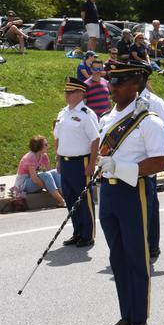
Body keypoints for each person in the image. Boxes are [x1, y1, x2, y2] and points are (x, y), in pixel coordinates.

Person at [95, 60, 164, 325]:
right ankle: (126, 315)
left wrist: (122, 168)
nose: (112, 87)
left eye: (118, 83)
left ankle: (140, 320)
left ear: (135, 86)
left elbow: (159, 162)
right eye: (111, 82)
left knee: (137, 258)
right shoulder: (106, 118)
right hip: (109, 193)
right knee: (118, 257)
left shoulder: (149, 121)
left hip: (133, 191)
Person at [54, 77, 101, 247]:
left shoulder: (87, 115)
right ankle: (77, 231)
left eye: (71, 92)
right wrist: (58, 159)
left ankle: (88, 235)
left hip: (81, 162)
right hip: (66, 162)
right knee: (70, 198)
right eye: (66, 91)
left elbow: (95, 140)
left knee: (84, 199)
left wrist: (92, 164)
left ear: (81, 94)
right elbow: (58, 137)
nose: (67, 95)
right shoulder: (63, 113)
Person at [138, 80, 164, 258]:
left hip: (148, 163)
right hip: (128, 167)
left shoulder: (155, 101)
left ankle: (152, 245)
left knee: (149, 207)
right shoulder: (125, 101)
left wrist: (156, 153)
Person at [14, 135, 67, 208]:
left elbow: (50, 171)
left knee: (55, 172)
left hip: (31, 181)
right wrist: (48, 187)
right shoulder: (30, 157)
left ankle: (66, 197)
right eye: (45, 144)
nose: (48, 146)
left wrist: (52, 185)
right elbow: (35, 179)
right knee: (46, 175)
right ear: (39, 147)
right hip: (23, 184)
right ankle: (61, 201)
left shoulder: (44, 155)